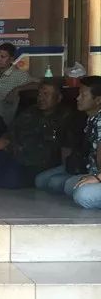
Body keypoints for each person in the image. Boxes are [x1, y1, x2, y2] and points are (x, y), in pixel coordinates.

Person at [0, 80, 73, 189]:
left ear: (58, 97)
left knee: (10, 179)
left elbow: (67, 147)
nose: (41, 98)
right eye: (39, 94)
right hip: (12, 155)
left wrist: (64, 170)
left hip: (35, 164)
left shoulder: (65, 117)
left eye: (46, 94)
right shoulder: (30, 112)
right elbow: (8, 137)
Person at [36, 76, 101, 209]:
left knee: (82, 194)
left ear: (98, 100)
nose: (77, 98)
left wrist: (97, 178)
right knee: (44, 180)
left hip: (96, 174)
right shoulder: (87, 118)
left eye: (83, 95)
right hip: (89, 169)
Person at [0, 43, 39, 125]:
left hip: (5, 122)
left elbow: (38, 85)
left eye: (2, 57)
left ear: (11, 59)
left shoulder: (19, 75)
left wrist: (17, 89)